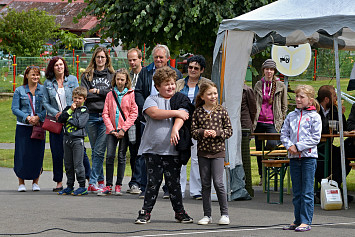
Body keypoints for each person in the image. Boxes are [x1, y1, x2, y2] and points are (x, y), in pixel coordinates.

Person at [134, 67, 193, 224]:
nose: (171, 87)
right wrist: (176, 113)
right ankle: (145, 212)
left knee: (174, 183)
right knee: (153, 182)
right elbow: (154, 113)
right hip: (152, 149)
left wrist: (175, 128)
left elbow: (184, 114)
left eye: (173, 83)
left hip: (172, 150)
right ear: (158, 86)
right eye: (167, 84)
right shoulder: (151, 99)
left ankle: (179, 212)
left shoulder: (179, 99)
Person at [134, 44, 183, 199]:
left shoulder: (176, 73)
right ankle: (144, 187)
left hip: (171, 120)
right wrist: (145, 111)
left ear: (168, 58)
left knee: (171, 157)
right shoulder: (145, 71)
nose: (158, 60)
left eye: (161, 57)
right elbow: (139, 92)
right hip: (148, 119)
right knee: (146, 155)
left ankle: (169, 189)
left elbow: (179, 94)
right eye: (156, 57)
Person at [43, 56, 91, 192]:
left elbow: (78, 96)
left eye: (61, 64)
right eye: (56, 65)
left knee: (81, 153)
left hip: (72, 117)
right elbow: (45, 102)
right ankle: (59, 182)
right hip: (56, 119)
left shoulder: (72, 80)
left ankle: (88, 179)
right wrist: (57, 113)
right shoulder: (48, 83)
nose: (59, 67)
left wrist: (70, 111)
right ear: (52, 67)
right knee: (57, 152)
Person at [191, 81, 233, 226]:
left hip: (218, 152)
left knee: (218, 182)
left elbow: (229, 131)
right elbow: (193, 131)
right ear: (202, 96)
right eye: (209, 94)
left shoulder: (222, 111)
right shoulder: (198, 112)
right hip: (203, 152)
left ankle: (225, 214)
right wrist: (203, 132)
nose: (213, 96)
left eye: (215, 93)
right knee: (205, 184)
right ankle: (207, 215)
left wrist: (217, 133)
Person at [280, 85, 322, 232]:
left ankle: (306, 221)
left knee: (307, 191)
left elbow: (315, 138)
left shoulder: (315, 117)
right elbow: (284, 134)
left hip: (308, 158)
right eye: (297, 96)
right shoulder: (291, 116)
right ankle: (297, 220)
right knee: (297, 191)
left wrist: (298, 146)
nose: (297, 99)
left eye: (301, 97)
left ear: (310, 100)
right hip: (294, 158)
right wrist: (290, 146)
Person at [81, 47, 115, 193]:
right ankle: (101, 180)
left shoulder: (112, 75)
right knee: (96, 150)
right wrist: (101, 94)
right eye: (98, 57)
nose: (100, 60)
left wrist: (97, 91)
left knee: (100, 150)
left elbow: (113, 93)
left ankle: (92, 182)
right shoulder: (87, 75)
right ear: (94, 59)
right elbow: (85, 94)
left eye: (103, 57)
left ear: (107, 59)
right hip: (91, 115)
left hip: (106, 116)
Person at [99, 68, 138, 196]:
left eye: (122, 79)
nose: (120, 82)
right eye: (118, 79)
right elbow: (105, 113)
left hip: (124, 131)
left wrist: (123, 129)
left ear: (126, 80)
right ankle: (108, 185)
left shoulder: (131, 94)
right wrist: (111, 129)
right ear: (114, 80)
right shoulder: (110, 95)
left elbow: (134, 113)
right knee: (110, 156)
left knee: (121, 157)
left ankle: (118, 185)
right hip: (112, 131)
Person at [176, 55, 210, 200]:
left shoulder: (207, 85)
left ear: (202, 70)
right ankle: (179, 189)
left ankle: (196, 190)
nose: (192, 70)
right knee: (180, 157)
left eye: (196, 68)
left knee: (197, 158)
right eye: (190, 67)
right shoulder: (178, 83)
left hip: (199, 124)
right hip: (181, 125)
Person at [11, 66, 46, 192]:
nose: (35, 77)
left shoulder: (43, 89)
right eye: (32, 75)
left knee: (37, 154)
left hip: (38, 126)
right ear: (27, 76)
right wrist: (26, 117)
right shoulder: (19, 90)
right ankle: (21, 182)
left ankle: (35, 182)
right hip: (23, 127)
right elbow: (15, 108)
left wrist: (38, 117)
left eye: (37, 75)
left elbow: (46, 107)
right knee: (22, 154)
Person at [253, 59, 288, 185]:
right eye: (267, 69)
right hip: (259, 121)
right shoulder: (258, 85)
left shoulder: (280, 86)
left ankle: (271, 166)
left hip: (273, 122)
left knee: (273, 143)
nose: (269, 71)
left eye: (271, 69)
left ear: (274, 71)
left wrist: (281, 118)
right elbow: (254, 103)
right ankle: (262, 175)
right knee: (258, 149)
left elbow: (284, 105)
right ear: (263, 70)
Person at [315, 85, 352, 201]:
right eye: (334, 96)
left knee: (345, 161)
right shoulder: (314, 107)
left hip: (328, 146)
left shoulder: (334, 108)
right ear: (326, 99)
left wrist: (341, 114)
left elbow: (343, 128)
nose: (336, 98)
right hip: (315, 147)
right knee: (322, 164)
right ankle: (329, 190)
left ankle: (331, 188)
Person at [57, 87, 89, 196]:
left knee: (78, 164)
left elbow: (80, 124)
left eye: (80, 98)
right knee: (68, 164)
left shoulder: (84, 111)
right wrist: (70, 111)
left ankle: (82, 186)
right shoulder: (68, 108)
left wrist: (68, 118)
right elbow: (60, 119)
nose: (77, 100)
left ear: (84, 99)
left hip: (77, 140)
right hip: (67, 139)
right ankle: (69, 186)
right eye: (75, 98)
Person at [126, 48, 143, 195]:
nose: (132, 62)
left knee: (143, 152)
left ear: (140, 59)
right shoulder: (127, 76)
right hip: (129, 120)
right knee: (133, 151)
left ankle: (140, 181)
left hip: (142, 118)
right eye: (130, 60)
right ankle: (135, 181)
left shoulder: (145, 75)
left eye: (134, 60)